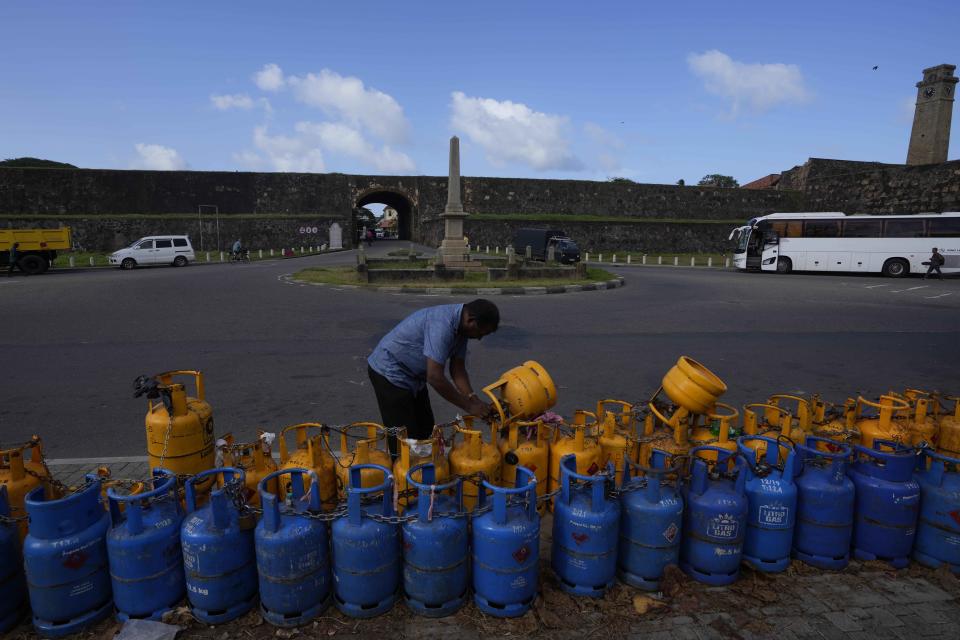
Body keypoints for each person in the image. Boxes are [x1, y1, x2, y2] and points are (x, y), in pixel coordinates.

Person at [367, 299, 500, 457]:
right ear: (471, 320)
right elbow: (435, 376)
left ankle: (424, 472)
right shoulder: (442, 325)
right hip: (390, 373)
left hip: (414, 378)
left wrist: (473, 398)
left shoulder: (462, 329)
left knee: (426, 429)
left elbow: (457, 369)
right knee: (405, 439)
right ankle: (402, 477)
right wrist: (469, 407)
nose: (479, 338)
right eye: (481, 333)